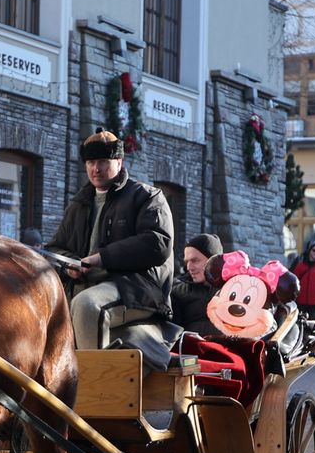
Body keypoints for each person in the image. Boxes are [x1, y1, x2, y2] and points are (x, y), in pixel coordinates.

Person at [46, 130, 174, 348]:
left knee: (87, 306)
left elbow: (158, 244)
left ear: (119, 161)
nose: (96, 169)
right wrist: (69, 266)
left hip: (136, 288)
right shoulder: (78, 204)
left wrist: (100, 258)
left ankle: (92, 380)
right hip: (82, 286)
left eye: (104, 161)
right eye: (91, 162)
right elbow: (56, 248)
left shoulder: (147, 196)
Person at [171, 233, 224, 335]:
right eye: (186, 262)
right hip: (192, 349)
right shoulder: (177, 292)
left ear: (213, 259)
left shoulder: (235, 287)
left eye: (195, 261)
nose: (189, 267)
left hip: (231, 348)